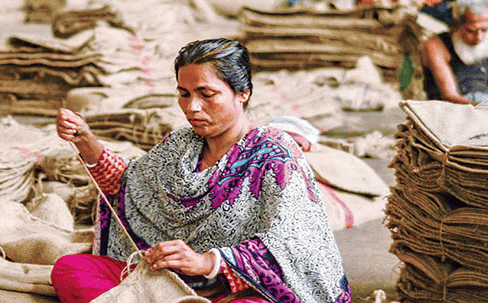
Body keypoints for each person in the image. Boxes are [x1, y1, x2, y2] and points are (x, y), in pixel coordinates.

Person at [52, 38, 351, 303]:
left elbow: (294, 244)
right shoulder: (181, 145)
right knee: (72, 269)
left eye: (206, 94)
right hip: (169, 283)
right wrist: (86, 141)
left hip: (240, 288)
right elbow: (129, 186)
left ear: (242, 93)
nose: (192, 107)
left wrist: (209, 262)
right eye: (184, 93)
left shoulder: (274, 155)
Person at [421, 0, 488, 105]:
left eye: (484, 30)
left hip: (486, 100)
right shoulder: (436, 45)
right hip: (450, 108)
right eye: (471, 30)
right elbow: (449, 95)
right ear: (457, 25)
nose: (479, 37)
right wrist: (486, 110)